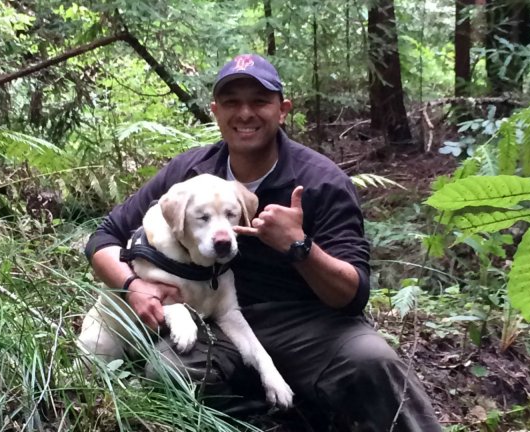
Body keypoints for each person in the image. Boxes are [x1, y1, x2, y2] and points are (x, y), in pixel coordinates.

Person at [84, 53, 441, 431]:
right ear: (216, 112)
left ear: (282, 109)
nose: (245, 113)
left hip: (306, 320)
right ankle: (274, 416)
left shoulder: (319, 180)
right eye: (232, 103)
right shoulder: (188, 176)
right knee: (166, 374)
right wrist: (134, 286)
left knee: (374, 362)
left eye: (259, 101)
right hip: (216, 321)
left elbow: (352, 294)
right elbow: (103, 238)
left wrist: (300, 247)